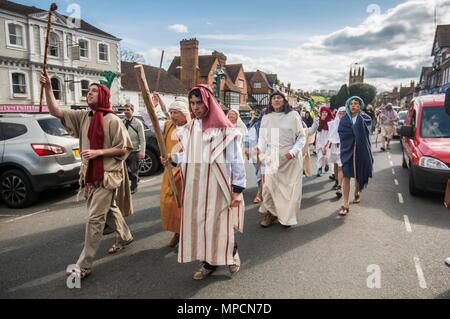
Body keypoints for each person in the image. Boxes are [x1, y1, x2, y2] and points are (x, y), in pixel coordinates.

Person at [40, 70, 134, 279]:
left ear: (102, 95)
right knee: (110, 209)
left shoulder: (112, 120)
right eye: (88, 91)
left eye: (93, 91)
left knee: (94, 219)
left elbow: (124, 148)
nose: (88, 93)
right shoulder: (83, 116)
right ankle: (126, 236)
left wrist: (99, 152)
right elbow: (56, 111)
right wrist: (48, 88)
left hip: (106, 176)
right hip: (89, 176)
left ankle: (84, 266)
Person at [162, 84, 246, 280]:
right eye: (192, 103)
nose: (195, 107)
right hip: (195, 186)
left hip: (217, 186)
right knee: (200, 225)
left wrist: (238, 189)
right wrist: (174, 159)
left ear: (208, 103)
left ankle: (231, 254)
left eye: (199, 102)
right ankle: (208, 263)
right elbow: (189, 155)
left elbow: (236, 160)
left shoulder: (225, 130)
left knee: (219, 225)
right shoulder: (190, 128)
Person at [258, 91, 306, 228]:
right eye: (273, 98)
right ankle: (271, 214)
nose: (276, 100)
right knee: (268, 187)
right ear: (270, 102)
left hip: (290, 158)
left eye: (279, 97)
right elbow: (262, 137)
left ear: (284, 101)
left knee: (289, 191)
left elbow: (301, 137)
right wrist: (261, 150)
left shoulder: (293, 115)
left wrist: (293, 151)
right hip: (272, 156)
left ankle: (286, 218)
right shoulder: (266, 117)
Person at [155, 97, 191, 248]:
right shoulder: (169, 125)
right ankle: (178, 232)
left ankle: (184, 235)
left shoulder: (193, 128)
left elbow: (193, 153)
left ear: (184, 113)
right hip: (171, 169)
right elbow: (153, 123)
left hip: (187, 172)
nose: (173, 115)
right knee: (169, 202)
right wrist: (153, 105)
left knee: (185, 205)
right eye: (171, 112)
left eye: (176, 112)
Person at [338, 96, 373, 216]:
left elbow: (366, 134)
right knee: (346, 175)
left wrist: (356, 130)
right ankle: (345, 203)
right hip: (347, 151)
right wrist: (353, 133)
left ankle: (357, 192)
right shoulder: (344, 120)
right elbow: (342, 133)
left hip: (361, 151)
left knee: (358, 175)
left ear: (360, 106)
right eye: (351, 103)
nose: (353, 105)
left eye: (356, 103)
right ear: (348, 105)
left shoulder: (366, 118)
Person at [123, 104, 146, 194]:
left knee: (133, 170)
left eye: (128, 110)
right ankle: (136, 178)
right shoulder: (121, 122)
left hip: (134, 150)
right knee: (124, 170)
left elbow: (142, 139)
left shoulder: (138, 123)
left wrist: (142, 152)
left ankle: (133, 187)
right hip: (124, 150)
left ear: (132, 111)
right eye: (124, 110)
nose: (125, 111)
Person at [324, 107, 347, 198]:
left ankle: (340, 187)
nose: (342, 115)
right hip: (334, 147)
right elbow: (329, 135)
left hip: (343, 147)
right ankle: (337, 181)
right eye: (340, 113)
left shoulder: (348, 124)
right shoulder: (333, 124)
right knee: (335, 165)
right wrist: (325, 146)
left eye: (344, 113)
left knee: (341, 167)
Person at [314, 106, 334, 177]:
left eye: (326, 112)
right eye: (323, 112)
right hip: (320, 140)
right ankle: (319, 168)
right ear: (321, 113)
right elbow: (318, 130)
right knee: (320, 155)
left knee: (327, 156)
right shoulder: (318, 120)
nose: (324, 113)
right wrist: (321, 121)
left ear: (328, 112)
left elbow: (331, 132)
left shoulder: (331, 121)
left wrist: (327, 143)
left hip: (328, 140)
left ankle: (326, 164)